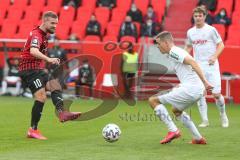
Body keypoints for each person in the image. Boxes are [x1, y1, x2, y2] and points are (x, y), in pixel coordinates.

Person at [18, 11, 81, 140]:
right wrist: (49, 59)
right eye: (52, 23)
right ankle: (33, 130)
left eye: (56, 24)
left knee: (55, 84)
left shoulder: (43, 35)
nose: (55, 26)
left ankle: (62, 113)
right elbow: (33, 51)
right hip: (28, 70)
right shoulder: (36, 35)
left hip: (37, 69)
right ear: (45, 21)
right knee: (41, 97)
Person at [149, 31, 213, 144]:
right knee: (176, 110)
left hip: (192, 89)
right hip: (195, 89)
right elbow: (188, 69)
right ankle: (198, 138)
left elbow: (193, 62)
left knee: (153, 100)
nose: (157, 46)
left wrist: (205, 82)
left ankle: (173, 131)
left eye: (158, 43)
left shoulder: (174, 52)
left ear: (166, 43)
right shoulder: (174, 52)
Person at [185, 6, 229, 128]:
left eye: (200, 16)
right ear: (193, 17)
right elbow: (188, 47)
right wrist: (182, 57)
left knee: (216, 94)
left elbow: (221, 45)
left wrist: (214, 56)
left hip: (212, 66)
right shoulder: (190, 32)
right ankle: (205, 120)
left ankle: (223, 114)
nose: (198, 18)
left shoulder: (211, 30)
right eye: (196, 16)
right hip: (198, 66)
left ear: (204, 17)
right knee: (200, 93)